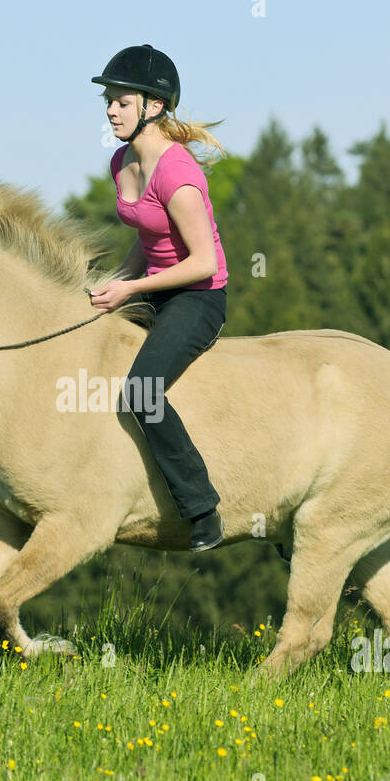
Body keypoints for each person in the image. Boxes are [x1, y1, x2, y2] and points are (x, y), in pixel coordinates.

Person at [88, 44, 229, 552]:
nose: (109, 110)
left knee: (142, 389)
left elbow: (201, 262)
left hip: (196, 297)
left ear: (153, 106)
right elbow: (147, 237)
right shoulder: (120, 162)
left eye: (121, 101)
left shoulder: (178, 173)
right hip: (151, 286)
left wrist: (131, 287)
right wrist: (110, 280)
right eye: (108, 100)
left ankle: (202, 510)